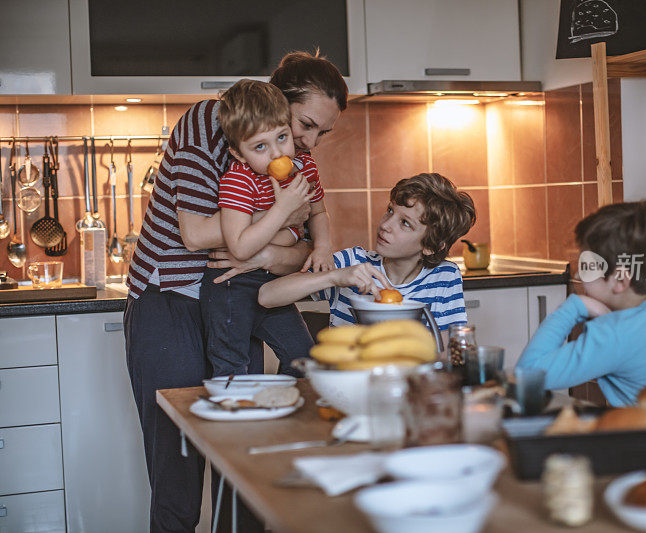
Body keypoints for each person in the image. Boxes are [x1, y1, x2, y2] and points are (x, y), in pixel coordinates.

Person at [124, 50, 348, 532]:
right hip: (171, 297)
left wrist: (266, 251)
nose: (309, 142)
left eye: (319, 133)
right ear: (275, 101)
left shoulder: (291, 156)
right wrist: (281, 224)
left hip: (233, 295)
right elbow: (197, 236)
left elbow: (300, 249)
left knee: (246, 455)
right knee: (179, 462)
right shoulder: (212, 122)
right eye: (305, 124)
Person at [515, 201, 646, 443]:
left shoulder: (614, 333)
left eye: (587, 267)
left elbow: (526, 377)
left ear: (619, 279)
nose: (577, 275)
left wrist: (574, 306)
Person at [201, 79, 334, 378]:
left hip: (272, 285)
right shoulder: (239, 180)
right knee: (232, 369)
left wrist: (323, 246)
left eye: (282, 137)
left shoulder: (304, 166)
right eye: (260, 146)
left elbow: (318, 211)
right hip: (231, 288)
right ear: (238, 153)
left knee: (303, 358)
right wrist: (283, 209)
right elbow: (240, 246)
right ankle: (236, 421)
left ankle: (284, 414)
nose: (276, 153)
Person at [258, 173, 476, 334]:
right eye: (390, 210)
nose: (386, 225)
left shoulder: (444, 276)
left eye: (405, 223)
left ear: (432, 245)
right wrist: (335, 276)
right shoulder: (353, 262)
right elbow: (266, 296)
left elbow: (449, 345)